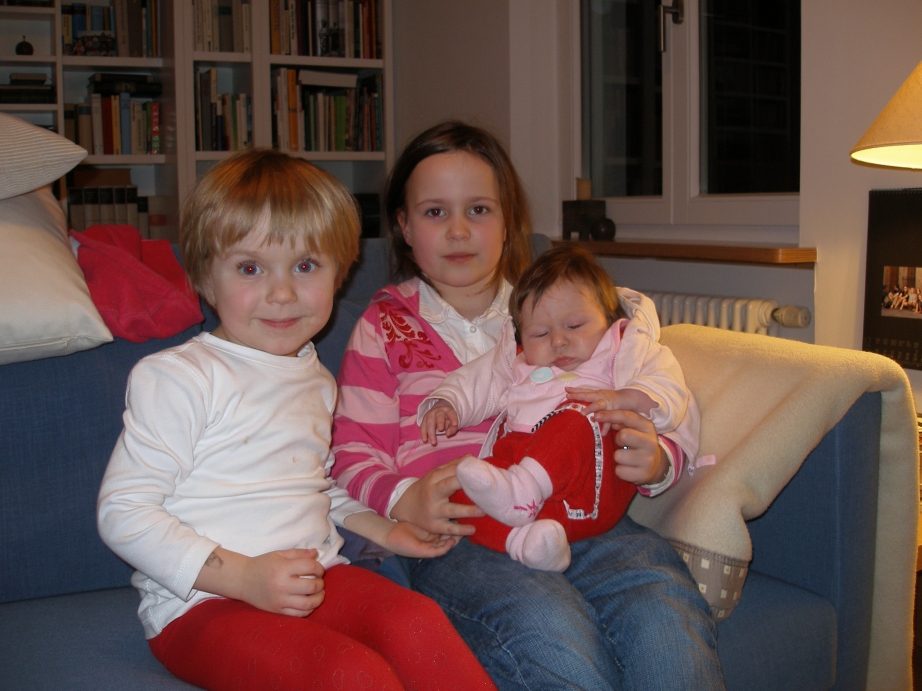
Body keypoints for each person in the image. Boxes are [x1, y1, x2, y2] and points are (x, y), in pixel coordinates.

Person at [332, 121, 725, 690]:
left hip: (588, 517)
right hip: (465, 532)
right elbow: (350, 453)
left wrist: (659, 457)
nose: (459, 230)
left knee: (667, 617)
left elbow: (654, 382)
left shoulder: (565, 310)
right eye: (435, 212)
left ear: (509, 221)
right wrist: (403, 498)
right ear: (404, 226)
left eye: (479, 210)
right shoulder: (383, 328)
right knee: (553, 637)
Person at [96, 148, 497, 691]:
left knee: (417, 622)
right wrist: (243, 576)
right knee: (352, 675)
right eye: (250, 268)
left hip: (315, 578)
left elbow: (314, 484)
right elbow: (123, 513)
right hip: (201, 605)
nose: (282, 293)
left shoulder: (315, 378)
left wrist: (386, 531)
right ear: (206, 277)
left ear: (340, 274)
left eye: (306, 266)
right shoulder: (178, 377)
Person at [417, 245, 699, 572]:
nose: (558, 341)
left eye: (574, 326)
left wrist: (623, 398)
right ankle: (526, 543)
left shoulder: (627, 349)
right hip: (521, 473)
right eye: (540, 333)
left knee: (579, 414)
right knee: (460, 489)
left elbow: (670, 394)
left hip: (589, 478)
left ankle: (526, 487)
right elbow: (479, 379)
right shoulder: (517, 359)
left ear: (609, 320)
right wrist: (448, 401)